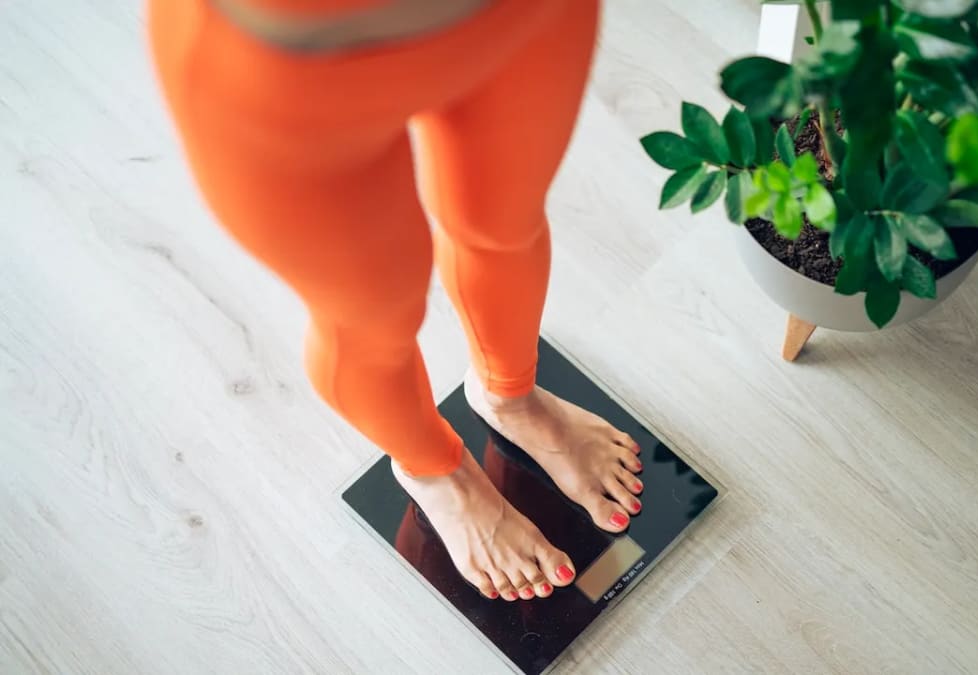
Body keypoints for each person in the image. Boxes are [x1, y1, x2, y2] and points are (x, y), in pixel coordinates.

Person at [147, 0, 644, 604]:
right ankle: (436, 471)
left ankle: (511, 395)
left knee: (504, 228)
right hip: (283, 68)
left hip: (517, 16)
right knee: (370, 318)